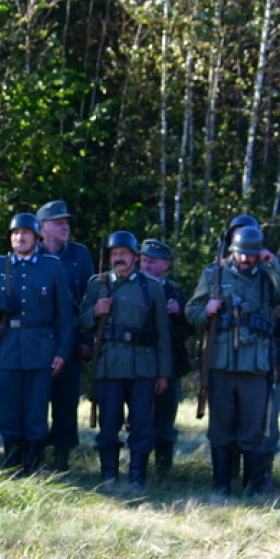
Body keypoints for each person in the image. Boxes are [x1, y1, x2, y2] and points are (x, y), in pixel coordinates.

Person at [185, 225, 280, 495]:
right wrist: (206, 310)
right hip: (221, 362)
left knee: (254, 429)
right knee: (221, 427)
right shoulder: (214, 273)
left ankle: (253, 486)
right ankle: (221, 484)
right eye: (241, 254)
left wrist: (273, 266)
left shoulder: (268, 276)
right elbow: (191, 312)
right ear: (233, 250)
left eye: (251, 255)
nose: (246, 260)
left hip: (257, 365)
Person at [0, 213, 73, 473]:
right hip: (6, 348)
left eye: (25, 233)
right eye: (15, 234)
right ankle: (12, 464)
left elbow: (64, 313)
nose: (19, 238)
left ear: (37, 238)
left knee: (35, 410)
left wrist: (62, 351)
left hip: (40, 348)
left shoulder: (51, 266)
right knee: (7, 410)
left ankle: (34, 463)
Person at [79, 231, 171, 490]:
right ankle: (109, 476)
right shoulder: (98, 285)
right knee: (109, 422)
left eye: (124, 253)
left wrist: (163, 373)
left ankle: (136, 478)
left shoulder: (150, 287)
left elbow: (162, 333)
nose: (119, 258)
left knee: (141, 424)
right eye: (115, 254)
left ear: (135, 257)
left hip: (143, 365)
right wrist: (95, 311)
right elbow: (81, 322)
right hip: (109, 364)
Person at [36, 199, 96, 471]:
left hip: (69, 337)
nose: (65, 226)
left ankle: (61, 459)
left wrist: (85, 340)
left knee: (66, 401)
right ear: (42, 227)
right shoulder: (28, 253)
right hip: (36, 338)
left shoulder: (79, 255)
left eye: (66, 222)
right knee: (34, 399)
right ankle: (33, 454)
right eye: (58, 222)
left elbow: (89, 299)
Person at [138, 239, 194, 477]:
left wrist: (180, 314)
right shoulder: (133, 286)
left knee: (165, 421)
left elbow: (191, 328)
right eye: (144, 260)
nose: (147, 265)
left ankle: (163, 469)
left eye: (153, 261)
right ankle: (136, 467)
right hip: (138, 363)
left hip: (170, 365)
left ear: (166, 265)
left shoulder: (174, 292)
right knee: (138, 418)